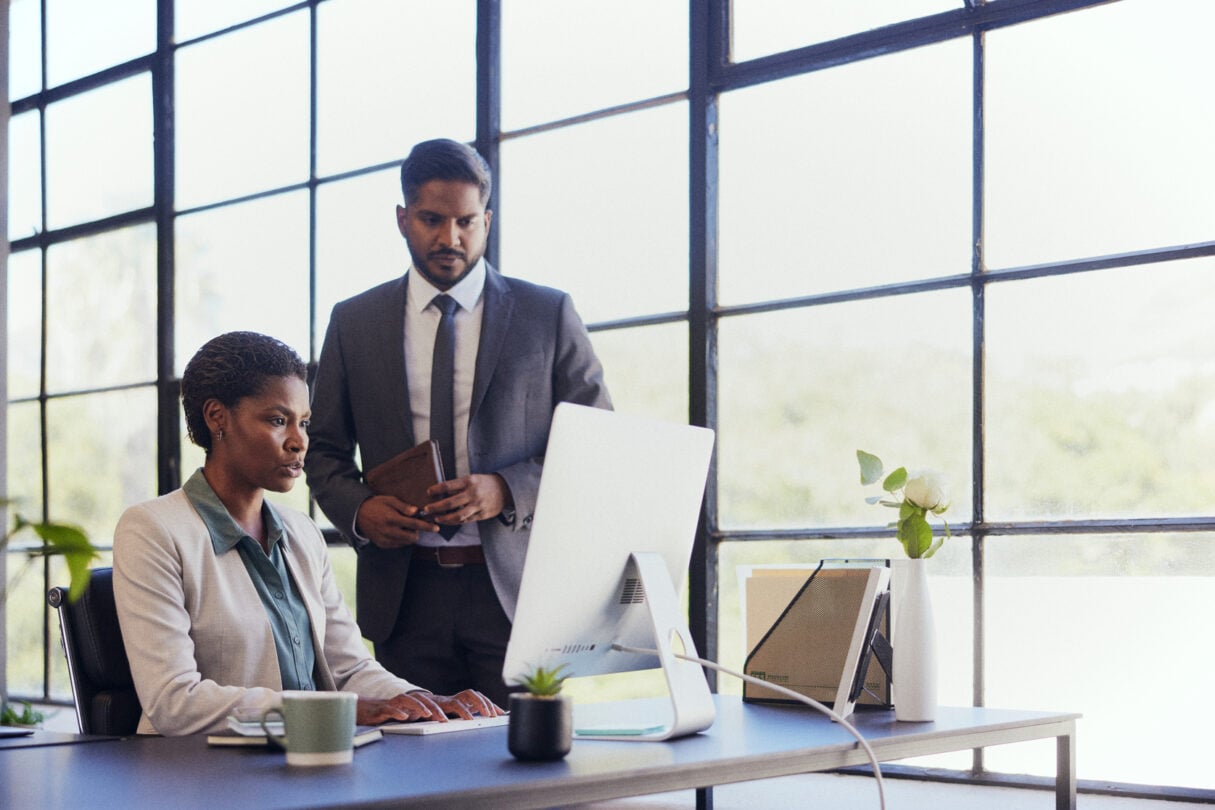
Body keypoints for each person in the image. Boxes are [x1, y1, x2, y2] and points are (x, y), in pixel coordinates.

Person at [305, 138, 612, 706]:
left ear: (486, 221)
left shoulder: (546, 314)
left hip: (516, 595)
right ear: (403, 219)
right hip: (405, 595)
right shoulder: (354, 322)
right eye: (431, 220)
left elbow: (597, 442)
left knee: (520, 759)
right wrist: (361, 512)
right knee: (412, 753)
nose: (450, 237)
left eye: (466, 221)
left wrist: (505, 489)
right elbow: (321, 449)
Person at [112, 331, 503, 736]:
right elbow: (175, 702)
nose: (299, 442)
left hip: (308, 756)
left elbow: (349, 669)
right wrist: (340, 710)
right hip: (200, 767)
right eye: (278, 421)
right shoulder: (153, 530)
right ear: (217, 417)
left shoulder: (302, 532)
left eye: (304, 423)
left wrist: (427, 702)